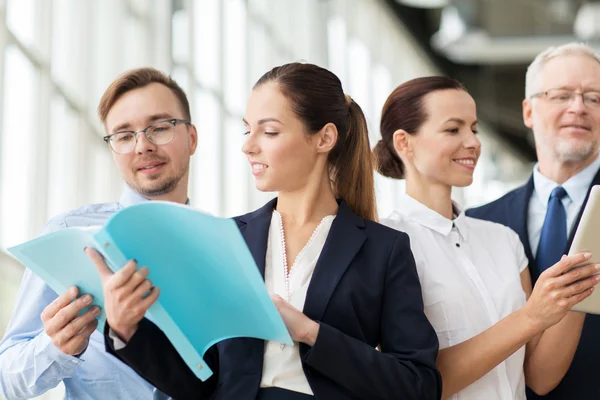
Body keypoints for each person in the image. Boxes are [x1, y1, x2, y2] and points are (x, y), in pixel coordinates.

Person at [88, 62, 442, 400]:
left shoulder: (384, 250)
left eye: (269, 131)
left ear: (324, 138)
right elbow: (199, 383)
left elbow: (419, 386)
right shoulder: (225, 240)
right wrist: (125, 330)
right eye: (248, 129)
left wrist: (310, 332)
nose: (248, 145)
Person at [374, 75, 600, 400]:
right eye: (453, 129)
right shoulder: (386, 243)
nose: (473, 142)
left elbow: (539, 377)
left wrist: (576, 293)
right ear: (404, 143)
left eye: (474, 129)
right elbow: (415, 384)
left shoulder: (503, 240)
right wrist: (530, 317)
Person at [0, 67, 198, 400]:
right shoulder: (69, 235)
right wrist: (55, 347)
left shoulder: (229, 247)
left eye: (160, 128)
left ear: (191, 138)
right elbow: (5, 378)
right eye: (124, 135)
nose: (142, 146)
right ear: (112, 148)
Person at [467, 42, 600, 399]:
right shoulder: (477, 223)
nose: (578, 107)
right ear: (528, 111)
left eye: (594, 98)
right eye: (561, 95)